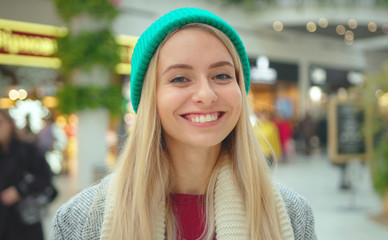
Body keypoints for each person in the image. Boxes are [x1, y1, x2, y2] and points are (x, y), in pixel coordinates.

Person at [50, 8, 316, 240]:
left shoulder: (293, 214)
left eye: (222, 75)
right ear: (149, 97)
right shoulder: (80, 220)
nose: (206, 95)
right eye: (180, 78)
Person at [0, 109, 53, 240]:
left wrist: (19, 190)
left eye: (0, 123)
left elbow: (45, 176)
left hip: (25, 220)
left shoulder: (27, 149)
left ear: (10, 124)